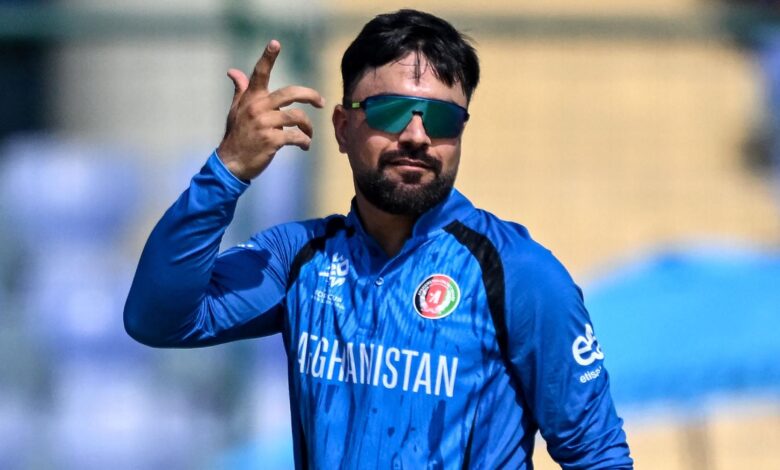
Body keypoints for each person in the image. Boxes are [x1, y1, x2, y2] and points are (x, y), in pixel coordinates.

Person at [124, 9, 633, 469]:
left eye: (442, 118)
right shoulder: (298, 257)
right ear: (342, 127)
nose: (416, 136)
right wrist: (228, 170)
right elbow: (158, 319)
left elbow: (599, 457)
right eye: (391, 111)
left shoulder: (519, 273)